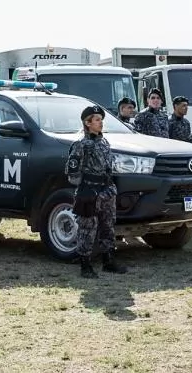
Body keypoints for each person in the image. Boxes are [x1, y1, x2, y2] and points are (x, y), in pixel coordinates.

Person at [65, 105, 128, 278]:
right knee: (87, 228)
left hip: (107, 191)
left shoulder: (104, 141)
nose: (101, 123)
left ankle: (108, 261)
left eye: (101, 119)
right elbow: (72, 173)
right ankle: (85, 265)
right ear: (87, 123)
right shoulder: (80, 145)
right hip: (90, 192)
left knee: (108, 226)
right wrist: (86, 189)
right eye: (97, 120)